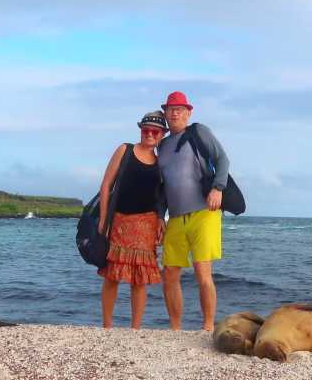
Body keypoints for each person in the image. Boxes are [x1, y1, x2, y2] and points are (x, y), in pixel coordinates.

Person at [157, 91, 229, 331]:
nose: (175, 112)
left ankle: (208, 325)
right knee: (169, 274)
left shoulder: (199, 132)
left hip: (204, 213)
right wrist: (160, 216)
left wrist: (218, 188)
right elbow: (163, 185)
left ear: (188, 113)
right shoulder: (163, 145)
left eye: (179, 109)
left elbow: (222, 160)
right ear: (165, 113)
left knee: (202, 271)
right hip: (176, 217)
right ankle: (175, 328)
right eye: (170, 109)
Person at [97, 111, 168, 329]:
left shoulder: (160, 162)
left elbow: (161, 196)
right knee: (112, 275)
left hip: (146, 224)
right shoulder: (125, 150)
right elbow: (106, 185)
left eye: (154, 131)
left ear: (162, 134)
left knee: (140, 279)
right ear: (140, 130)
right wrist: (103, 220)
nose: (149, 134)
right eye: (145, 130)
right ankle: (107, 326)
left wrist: (160, 220)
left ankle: (135, 329)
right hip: (119, 220)